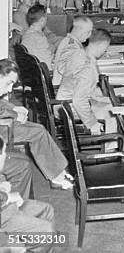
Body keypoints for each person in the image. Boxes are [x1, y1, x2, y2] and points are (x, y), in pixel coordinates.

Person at [0, 59, 73, 190]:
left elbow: (1, 104)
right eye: (9, 83)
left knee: (39, 129)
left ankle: (58, 172)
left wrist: (14, 108)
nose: (10, 89)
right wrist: (15, 114)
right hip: (3, 128)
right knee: (37, 133)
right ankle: (56, 176)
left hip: (4, 123)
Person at [0, 136, 55, 253]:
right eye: (3, 153)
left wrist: (3, 188)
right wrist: (8, 197)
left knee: (46, 210)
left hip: (5, 209)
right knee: (46, 231)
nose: (5, 155)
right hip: (3, 218)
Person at [56, 29, 116, 135]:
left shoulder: (80, 53)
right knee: (113, 114)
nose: (104, 52)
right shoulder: (87, 68)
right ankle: (110, 148)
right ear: (102, 45)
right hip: (69, 108)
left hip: (62, 103)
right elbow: (79, 100)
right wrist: (92, 124)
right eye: (106, 48)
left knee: (109, 103)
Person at [53, 15, 94, 85]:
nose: (89, 35)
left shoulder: (69, 41)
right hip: (64, 88)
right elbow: (63, 69)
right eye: (88, 32)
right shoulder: (71, 46)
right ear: (81, 32)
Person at [21, 5, 62, 69]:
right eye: (46, 17)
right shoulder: (39, 37)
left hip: (33, 69)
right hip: (45, 71)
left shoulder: (27, 34)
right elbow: (49, 64)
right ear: (42, 20)